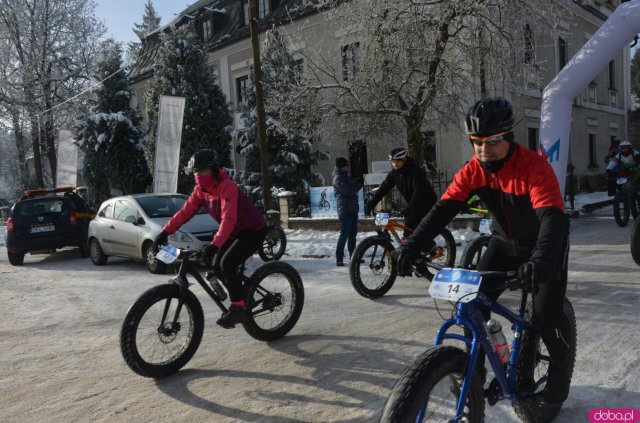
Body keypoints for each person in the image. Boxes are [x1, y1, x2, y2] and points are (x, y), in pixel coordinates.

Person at [397, 96, 572, 421]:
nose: (483, 149)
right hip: (505, 245)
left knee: (544, 316)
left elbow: (552, 219)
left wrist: (542, 260)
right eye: (476, 142)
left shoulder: (533, 167)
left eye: (492, 141)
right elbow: (442, 210)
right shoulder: (475, 170)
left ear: (508, 137)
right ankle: (472, 374)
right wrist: (412, 245)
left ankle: (561, 368)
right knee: (472, 303)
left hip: (544, 248)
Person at [153, 149, 267, 329]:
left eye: (202, 170)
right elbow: (185, 212)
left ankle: (238, 307)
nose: (198, 175)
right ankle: (245, 298)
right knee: (215, 264)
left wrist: (214, 244)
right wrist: (165, 232)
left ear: (213, 169)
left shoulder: (226, 186)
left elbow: (229, 219)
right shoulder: (201, 190)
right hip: (235, 231)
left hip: (253, 230)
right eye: (196, 171)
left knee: (228, 263)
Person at [364, 147, 437, 238]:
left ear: (405, 159)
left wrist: (410, 208)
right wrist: (371, 203)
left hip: (426, 202)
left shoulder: (415, 171)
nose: (395, 164)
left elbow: (418, 192)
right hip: (413, 204)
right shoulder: (395, 173)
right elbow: (383, 188)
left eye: (398, 161)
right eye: (393, 162)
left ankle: (426, 247)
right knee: (409, 231)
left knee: (413, 232)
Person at [332, 157, 363, 266]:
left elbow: (350, 186)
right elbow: (348, 191)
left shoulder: (345, 176)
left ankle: (353, 256)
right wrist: (359, 185)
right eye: (346, 165)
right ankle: (339, 258)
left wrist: (356, 181)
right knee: (344, 235)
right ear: (341, 167)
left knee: (352, 235)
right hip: (345, 210)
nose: (348, 167)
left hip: (352, 209)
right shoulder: (338, 178)